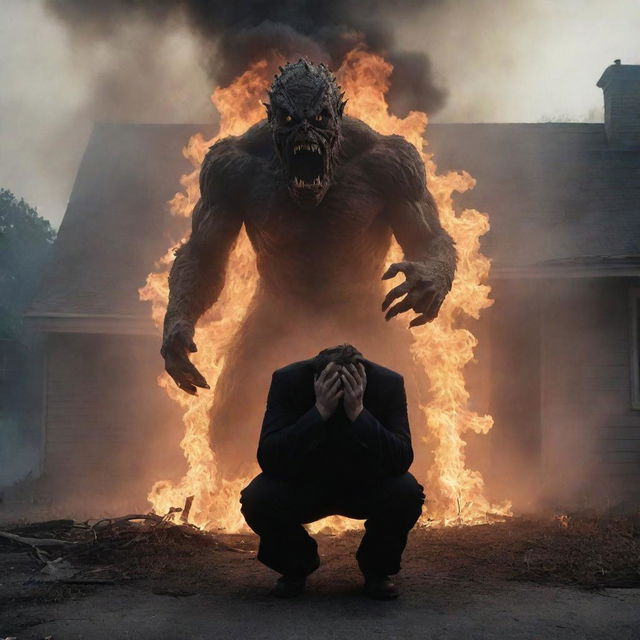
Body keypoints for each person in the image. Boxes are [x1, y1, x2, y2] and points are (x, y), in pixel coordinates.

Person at [240, 344, 425, 599]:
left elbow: (401, 459)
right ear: (316, 379)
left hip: (364, 486)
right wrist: (319, 412)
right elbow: (269, 458)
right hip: (304, 485)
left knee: (407, 492)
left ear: (362, 378)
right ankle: (297, 565)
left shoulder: (387, 384)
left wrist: (359, 413)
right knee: (257, 498)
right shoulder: (289, 381)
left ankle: (377, 570)